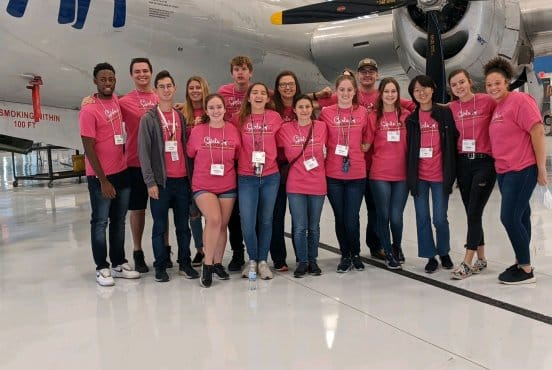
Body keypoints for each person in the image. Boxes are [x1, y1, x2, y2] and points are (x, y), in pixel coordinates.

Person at [483, 57, 548, 284]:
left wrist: (542, 169)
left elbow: (537, 131)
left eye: (497, 83)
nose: (493, 88)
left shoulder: (520, 101)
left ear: (507, 81)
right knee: (521, 216)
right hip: (504, 170)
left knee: (509, 217)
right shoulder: (499, 106)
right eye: (489, 84)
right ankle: (522, 260)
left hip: (522, 169)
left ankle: (526, 269)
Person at [79, 62, 140, 286]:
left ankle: (118, 263)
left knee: (118, 221)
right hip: (100, 177)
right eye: (103, 79)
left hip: (122, 171)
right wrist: (103, 180)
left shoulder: (116, 100)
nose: (107, 83)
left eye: (111, 79)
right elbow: (88, 146)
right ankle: (102, 267)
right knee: (100, 221)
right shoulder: (88, 109)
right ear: (95, 81)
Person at [138, 70, 199, 282]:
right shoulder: (149, 119)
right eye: (161, 86)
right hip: (160, 183)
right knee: (160, 226)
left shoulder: (180, 117)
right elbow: (144, 153)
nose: (166, 90)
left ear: (174, 89)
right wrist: (150, 182)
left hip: (182, 181)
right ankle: (161, 265)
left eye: (169, 86)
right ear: (156, 91)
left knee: (183, 226)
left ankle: (185, 262)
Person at [187, 94, 241, 287]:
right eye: (212, 108)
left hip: (227, 184)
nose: (216, 111)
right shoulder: (198, 131)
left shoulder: (233, 130)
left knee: (222, 224)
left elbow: (238, 155)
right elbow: (191, 153)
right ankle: (207, 265)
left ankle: (218, 263)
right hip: (203, 184)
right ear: (206, 111)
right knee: (214, 220)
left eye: (219, 107)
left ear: (225, 109)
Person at [406, 75, 458, 274]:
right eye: (417, 90)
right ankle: (430, 256)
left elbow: (452, 143)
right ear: (413, 94)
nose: (422, 93)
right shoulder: (411, 119)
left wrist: (452, 173)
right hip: (419, 176)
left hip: (439, 176)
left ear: (433, 89)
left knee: (439, 218)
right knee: (422, 218)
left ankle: (443, 251)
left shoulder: (444, 113)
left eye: (425, 88)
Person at [447, 69, 497, 279]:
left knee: (475, 212)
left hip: (484, 163)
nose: (459, 87)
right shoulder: (451, 108)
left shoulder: (487, 101)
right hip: (463, 164)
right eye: (455, 85)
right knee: (471, 212)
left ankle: (467, 262)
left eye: (462, 82)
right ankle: (482, 259)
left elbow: (508, 106)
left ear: (470, 82)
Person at [319, 74, 370, 273]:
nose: (346, 93)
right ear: (336, 91)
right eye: (342, 90)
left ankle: (355, 253)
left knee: (352, 216)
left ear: (355, 92)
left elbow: (367, 138)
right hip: (333, 174)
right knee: (340, 217)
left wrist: (361, 147)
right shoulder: (326, 113)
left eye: (350, 90)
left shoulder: (363, 112)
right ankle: (345, 254)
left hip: (356, 173)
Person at [236, 82, 282, 280]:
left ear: (268, 98)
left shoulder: (275, 117)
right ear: (248, 97)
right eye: (254, 92)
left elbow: (282, 142)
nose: (258, 95)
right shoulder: (238, 119)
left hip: (270, 176)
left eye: (263, 93)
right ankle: (252, 259)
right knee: (247, 222)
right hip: (247, 177)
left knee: (266, 220)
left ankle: (262, 261)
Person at [277, 95, 327, 277]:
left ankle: (313, 260)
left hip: (318, 184)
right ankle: (302, 261)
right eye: (301, 107)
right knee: (299, 226)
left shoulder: (322, 127)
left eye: (307, 107)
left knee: (314, 226)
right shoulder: (285, 129)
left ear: (311, 109)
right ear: (295, 110)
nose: (304, 110)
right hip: (295, 184)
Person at [118, 58, 159, 273]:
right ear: (132, 75)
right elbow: (107, 108)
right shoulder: (124, 101)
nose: (142, 74)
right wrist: (91, 99)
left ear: (151, 73)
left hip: (159, 164)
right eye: (137, 71)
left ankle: (164, 249)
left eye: (145, 71)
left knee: (161, 210)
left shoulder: (160, 97)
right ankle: (137, 250)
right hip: (135, 162)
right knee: (137, 209)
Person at [366, 78, 410, 269]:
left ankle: (397, 246)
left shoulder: (406, 116)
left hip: (402, 175)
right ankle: (388, 252)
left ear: (398, 94)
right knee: (383, 215)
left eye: (393, 92)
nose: (390, 95)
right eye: (386, 92)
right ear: (380, 94)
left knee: (396, 217)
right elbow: (366, 144)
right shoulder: (373, 117)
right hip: (380, 174)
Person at [217, 55, 252, 271]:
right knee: (233, 212)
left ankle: (257, 252)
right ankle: (238, 253)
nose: (240, 73)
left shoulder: (259, 92)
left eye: (244, 69)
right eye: (236, 69)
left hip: (251, 158)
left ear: (251, 72)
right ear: (232, 73)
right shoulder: (223, 92)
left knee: (251, 211)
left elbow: (288, 96)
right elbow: (208, 105)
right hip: (230, 159)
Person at [270, 70, 302, 271]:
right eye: (283, 84)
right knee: (276, 215)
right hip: (277, 168)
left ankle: (302, 256)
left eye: (290, 84)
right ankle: (279, 258)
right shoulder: (271, 109)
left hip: (299, 169)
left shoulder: (305, 106)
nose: (287, 88)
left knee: (299, 217)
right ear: (277, 88)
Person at [181, 76, 211, 267]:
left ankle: (210, 248)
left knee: (210, 211)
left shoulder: (211, 110)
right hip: (188, 166)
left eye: (198, 87)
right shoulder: (182, 112)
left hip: (208, 165)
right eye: (191, 88)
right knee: (193, 211)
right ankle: (199, 249)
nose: (195, 91)